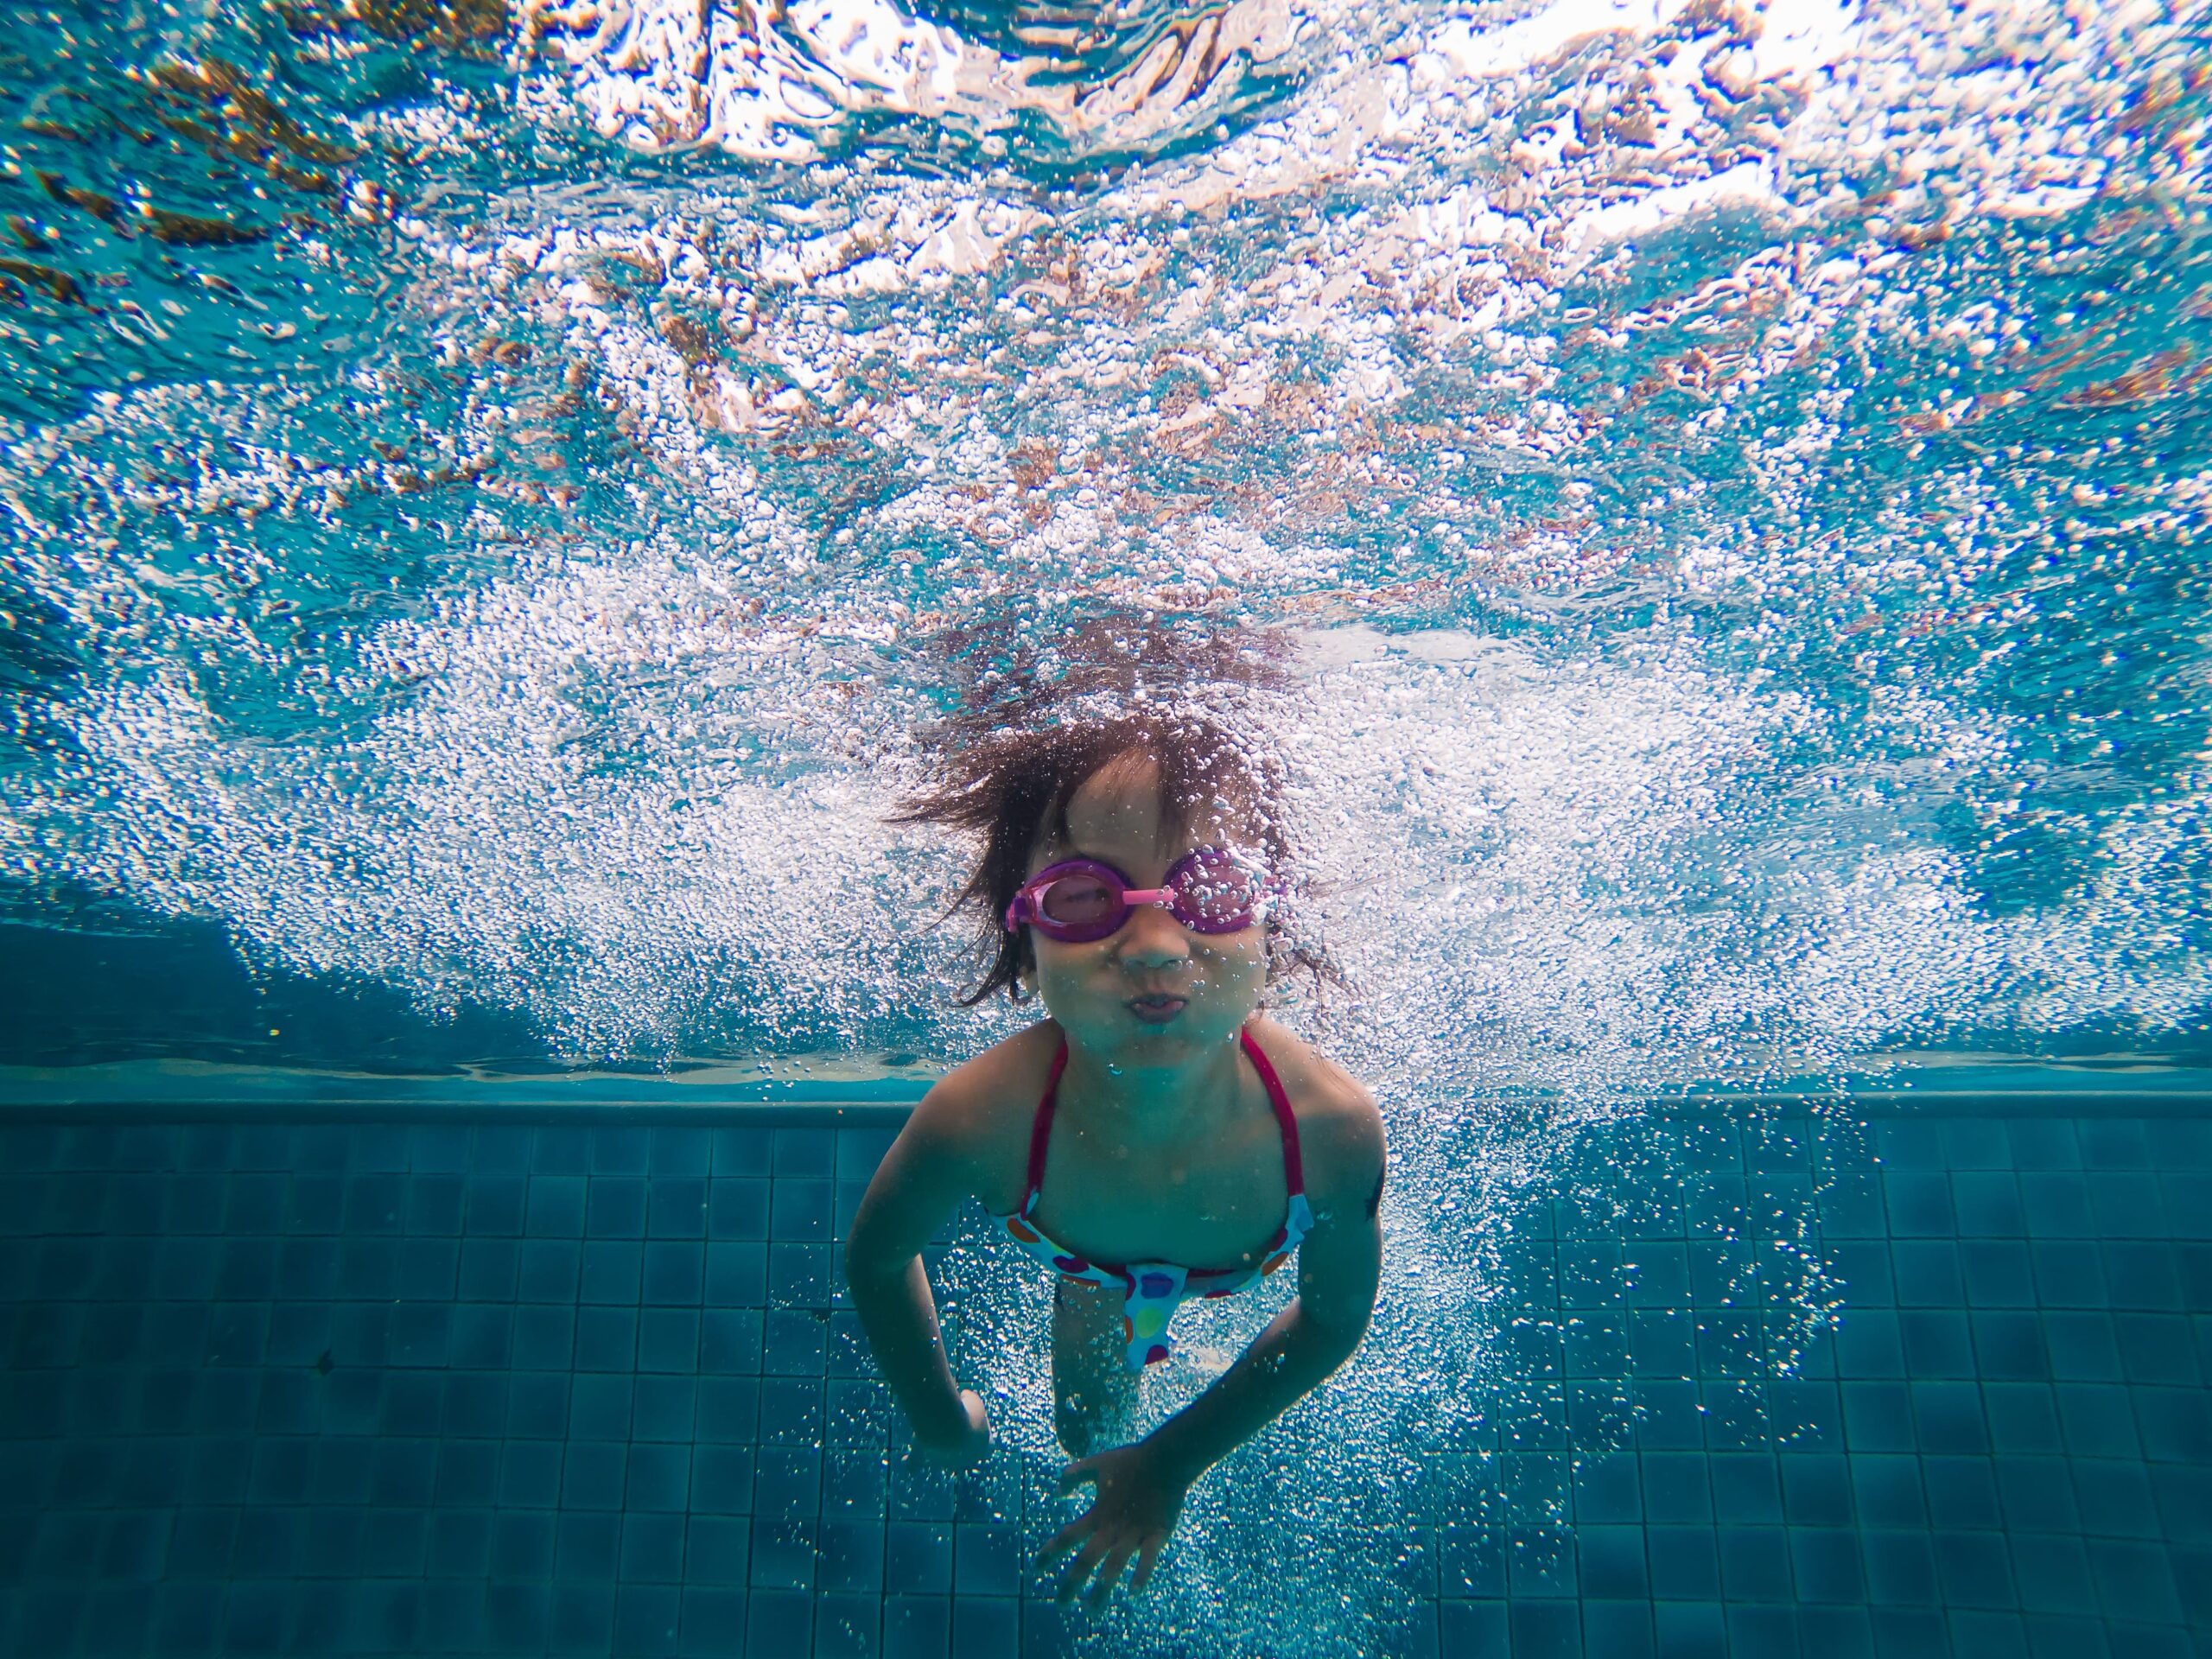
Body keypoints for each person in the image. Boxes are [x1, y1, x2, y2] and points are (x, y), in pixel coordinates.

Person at [845, 628, 1387, 1609]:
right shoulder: (980, 1116)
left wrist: (1174, 1462)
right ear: (1023, 923)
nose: (1152, 943)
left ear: (1273, 919)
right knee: (1085, 1433)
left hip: (1232, 1255)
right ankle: (1142, 1330)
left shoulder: (1330, 1126)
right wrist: (937, 1418)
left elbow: (1334, 1318)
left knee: (1134, 1445)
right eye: (1087, 896)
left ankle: (1177, 1349)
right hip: (1084, 1264)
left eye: (1211, 890)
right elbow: (876, 1259)